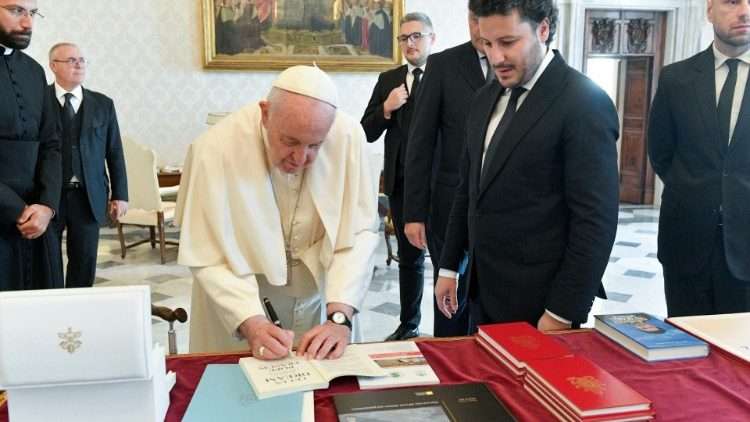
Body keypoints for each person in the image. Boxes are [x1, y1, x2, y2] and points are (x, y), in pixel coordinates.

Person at [435, 0, 619, 332]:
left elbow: (595, 223)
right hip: (482, 293)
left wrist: (562, 312)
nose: (496, 58)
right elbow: (469, 189)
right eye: (486, 44)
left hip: (542, 304)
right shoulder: (483, 99)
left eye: (508, 42)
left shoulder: (584, 102)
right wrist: (450, 267)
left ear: (543, 29)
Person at [177, 65, 379, 360]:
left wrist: (340, 316)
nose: (300, 158)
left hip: (319, 297)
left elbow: (358, 232)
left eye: (315, 146)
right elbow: (208, 253)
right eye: (290, 142)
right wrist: (250, 320)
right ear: (265, 113)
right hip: (238, 303)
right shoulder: (215, 148)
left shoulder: (348, 137)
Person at [648, 0, 750, 317]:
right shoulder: (675, 79)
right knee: (683, 350)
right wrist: (696, 192)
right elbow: (661, 152)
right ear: (709, 10)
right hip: (686, 242)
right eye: (732, 1)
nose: (745, 11)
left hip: (746, 247)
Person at [402, 0, 490, 337]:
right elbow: (420, 143)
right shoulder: (443, 65)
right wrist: (413, 213)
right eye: (475, 19)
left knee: (489, 298)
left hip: (498, 208)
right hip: (448, 205)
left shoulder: (516, 64)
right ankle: (452, 366)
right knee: (451, 295)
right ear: (469, 20)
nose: (482, 28)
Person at [361, 12, 435, 341]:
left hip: (440, 184)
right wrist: (387, 108)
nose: (410, 43)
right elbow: (366, 131)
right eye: (404, 38)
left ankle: (455, 327)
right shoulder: (388, 79)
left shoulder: (446, 77)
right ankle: (409, 324)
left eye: (416, 36)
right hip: (402, 184)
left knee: (452, 259)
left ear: (432, 39)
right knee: (410, 258)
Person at [47, 42, 128, 288]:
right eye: (71, 60)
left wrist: (120, 194)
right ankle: (50, 314)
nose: (79, 64)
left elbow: (114, 152)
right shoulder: (39, 101)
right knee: (47, 261)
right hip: (48, 196)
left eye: (82, 59)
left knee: (84, 261)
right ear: (53, 65)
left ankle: (78, 314)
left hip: (89, 196)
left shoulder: (103, 104)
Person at [0, 0, 62, 291]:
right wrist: (18, 210)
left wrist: (47, 206)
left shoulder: (34, 71)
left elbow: (51, 144)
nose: (28, 23)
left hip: (37, 222)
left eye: (32, 12)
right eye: (16, 11)